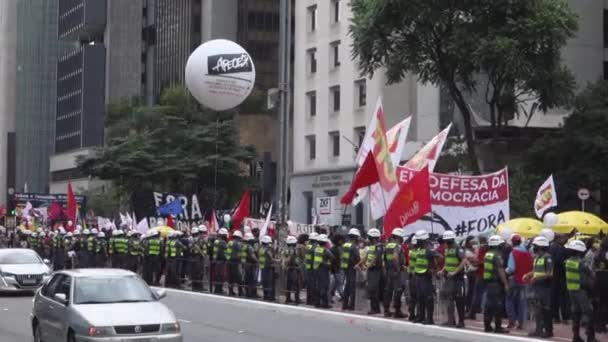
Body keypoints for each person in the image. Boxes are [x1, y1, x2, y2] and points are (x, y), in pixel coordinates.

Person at [566, 239, 596, 342]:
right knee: (588, 313)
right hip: (580, 290)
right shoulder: (580, 263)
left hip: (571, 290)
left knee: (576, 314)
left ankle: (576, 336)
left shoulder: (568, 261)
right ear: (580, 251)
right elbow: (591, 275)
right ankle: (590, 338)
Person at [524, 236, 554, 338]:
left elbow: (550, 273)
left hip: (545, 287)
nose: (534, 248)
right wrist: (528, 274)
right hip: (537, 287)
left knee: (546, 309)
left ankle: (548, 331)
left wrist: (537, 278)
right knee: (537, 310)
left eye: (535, 246)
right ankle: (538, 329)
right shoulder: (537, 258)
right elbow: (535, 271)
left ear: (541, 246)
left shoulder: (548, 257)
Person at [483, 235, 510, 334]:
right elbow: (500, 270)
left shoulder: (487, 254)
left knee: (489, 305)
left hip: (488, 283)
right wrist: (506, 284)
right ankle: (498, 327)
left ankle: (487, 325)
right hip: (496, 283)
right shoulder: (497, 255)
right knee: (498, 305)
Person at [505, 234, 533, 330]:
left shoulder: (513, 252)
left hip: (514, 279)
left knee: (509, 300)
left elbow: (511, 268)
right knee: (522, 302)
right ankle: (521, 323)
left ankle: (512, 321)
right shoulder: (528, 253)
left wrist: (506, 270)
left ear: (512, 243)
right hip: (525, 280)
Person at [414, 229, 441, 325]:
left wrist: (434, 269)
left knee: (428, 298)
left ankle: (429, 318)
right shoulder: (419, 248)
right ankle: (421, 316)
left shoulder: (429, 249)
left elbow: (439, 257)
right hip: (418, 275)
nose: (417, 242)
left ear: (423, 240)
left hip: (426, 276)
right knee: (420, 297)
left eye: (419, 240)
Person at [441, 230, 467, 328]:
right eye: (445, 240)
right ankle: (451, 320)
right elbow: (447, 262)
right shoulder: (447, 249)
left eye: (448, 240)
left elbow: (464, 261)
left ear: (452, 239)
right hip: (448, 278)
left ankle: (461, 321)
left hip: (457, 278)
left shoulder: (458, 248)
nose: (446, 242)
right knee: (449, 299)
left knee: (459, 300)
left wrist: (454, 272)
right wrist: (442, 270)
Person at [548, 230, 571, 323]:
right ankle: (565, 317)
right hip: (561, 275)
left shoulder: (550, 247)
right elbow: (561, 262)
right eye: (564, 237)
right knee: (563, 298)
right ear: (559, 239)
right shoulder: (561, 249)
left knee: (554, 297)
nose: (565, 239)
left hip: (552, 275)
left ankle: (555, 316)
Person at [383, 228, 406, 318]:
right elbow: (395, 257)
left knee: (388, 291)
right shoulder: (397, 246)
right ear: (398, 237)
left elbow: (384, 259)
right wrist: (398, 268)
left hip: (388, 270)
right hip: (395, 271)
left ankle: (386, 310)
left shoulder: (388, 245)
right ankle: (397, 311)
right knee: (398, 290)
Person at [341, 228, 361, 311]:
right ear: (355, 237)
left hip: (345, 267)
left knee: (347, 286)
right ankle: (352, 305)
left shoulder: (345, 245)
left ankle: (344, 304)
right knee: (352, 287)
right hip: (352, 268)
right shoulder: (353, 246)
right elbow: (357, 257)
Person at [365, 228, 384, 315]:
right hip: (371, 270)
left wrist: (370, 265)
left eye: (369, 237)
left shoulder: (379, 246)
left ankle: (375, 308)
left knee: (374, 289)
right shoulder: (372, 246)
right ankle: (375, 308)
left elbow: (376, 256)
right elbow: (367, 256)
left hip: (376, 270)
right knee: (372, 289)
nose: (368, 239)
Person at [313, 234, 334, 308]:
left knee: (318, 286)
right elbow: (332, 257)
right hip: (323, 270)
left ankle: (317, 302)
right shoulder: (325, 250)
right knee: (325, 286)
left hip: (316, 269)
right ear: (325, 242)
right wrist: (328, 263)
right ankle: (324, 303)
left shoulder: (316, 249)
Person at [283, 235, 302, 304]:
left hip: (290, 268)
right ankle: (296, 299)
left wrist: (285, 265)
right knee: (296, 284)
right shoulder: (292, 249)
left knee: (289, 284)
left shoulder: (286, 249)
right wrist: (286, 264)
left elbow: (284, 258)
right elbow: (289, 258)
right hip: (294, 268)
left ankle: (288, 298)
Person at [241, 232, 258, 298]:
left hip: (244, 264)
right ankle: (252, 293)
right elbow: (252, 256)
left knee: (246, 279)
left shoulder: (243, 246)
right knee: (252, 279)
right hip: (250, 265)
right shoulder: (250, 247)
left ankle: (247, 292)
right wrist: (257, 261)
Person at [259, 235, 275, 301]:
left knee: (264, 281)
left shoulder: (261, 249)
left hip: (262, 266)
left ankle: (265, 295)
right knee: (269, 282)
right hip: (268, 267)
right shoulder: (268, 249)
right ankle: (270, 296)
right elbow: (271, 257)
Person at [212, 228, 229, 294]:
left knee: (217, 275)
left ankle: (217, 289)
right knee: (221, 276)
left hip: (217, 260)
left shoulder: (216, 241)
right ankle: (219, 290)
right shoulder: (223, 242)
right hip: (221, 261)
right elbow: (226, 251)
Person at [227, 231, 243, 296]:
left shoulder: (230, 242)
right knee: (238, 277)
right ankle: (240, 291)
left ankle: (230, 291)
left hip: (229, 261)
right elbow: (240, 252)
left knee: (231, 277)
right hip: (235, 262)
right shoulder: (237, 244)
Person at [190, 227, 206, 291]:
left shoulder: (193, 239)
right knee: (199, 272)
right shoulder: (198, 240)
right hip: (198, 257)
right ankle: (198, 286)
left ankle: (196, 286)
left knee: (197, 272)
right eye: (203, 233)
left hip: (196, 257)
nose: (204, 234)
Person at [305, 233, 318, 305]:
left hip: (308, 268)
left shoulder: (308, 246)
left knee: (309, 285)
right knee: (313, 285)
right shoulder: (315, 248)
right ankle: (313, 300)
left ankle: (309, 300)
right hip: (313, 269)